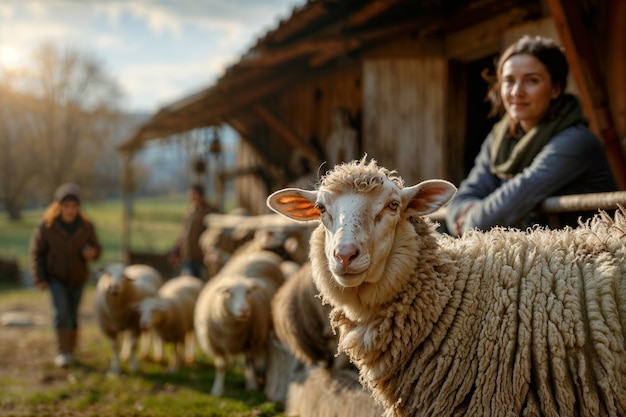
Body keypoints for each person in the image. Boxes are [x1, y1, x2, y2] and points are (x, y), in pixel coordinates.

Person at [445, 35, 618, 236]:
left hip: (588, 259)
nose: (517, 92)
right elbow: (462, 198)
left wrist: (470, 218)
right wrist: (463, 213)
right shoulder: (499, 139)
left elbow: (495, 214)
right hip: (540, 261)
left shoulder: (575, 141)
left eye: (532, 80)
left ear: (555, 89)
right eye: (509, 81)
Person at [29, 183, 101, 368]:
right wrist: (40, 277)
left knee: (72, 314)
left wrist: (92, 253)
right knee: (60, 312)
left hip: (77, 278)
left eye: (74, 206)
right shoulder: (47, 227)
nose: (70, 210)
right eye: (66, 206)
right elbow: (37, 252)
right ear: (58, 206)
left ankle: (71, 350)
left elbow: (97, 249)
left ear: (79, 207)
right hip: (56, 277)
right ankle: (62, 352)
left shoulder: (86, 227)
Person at [169, 183, 216, 280]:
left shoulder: (210, 211)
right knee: (187, 283)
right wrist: (177, 250)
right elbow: (184, 233)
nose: (191, 196)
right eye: (190, 194)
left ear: (201, 195)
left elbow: (214, 234)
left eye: (194, 194)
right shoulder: (189, 211)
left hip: (203, 258)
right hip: (188, 256)